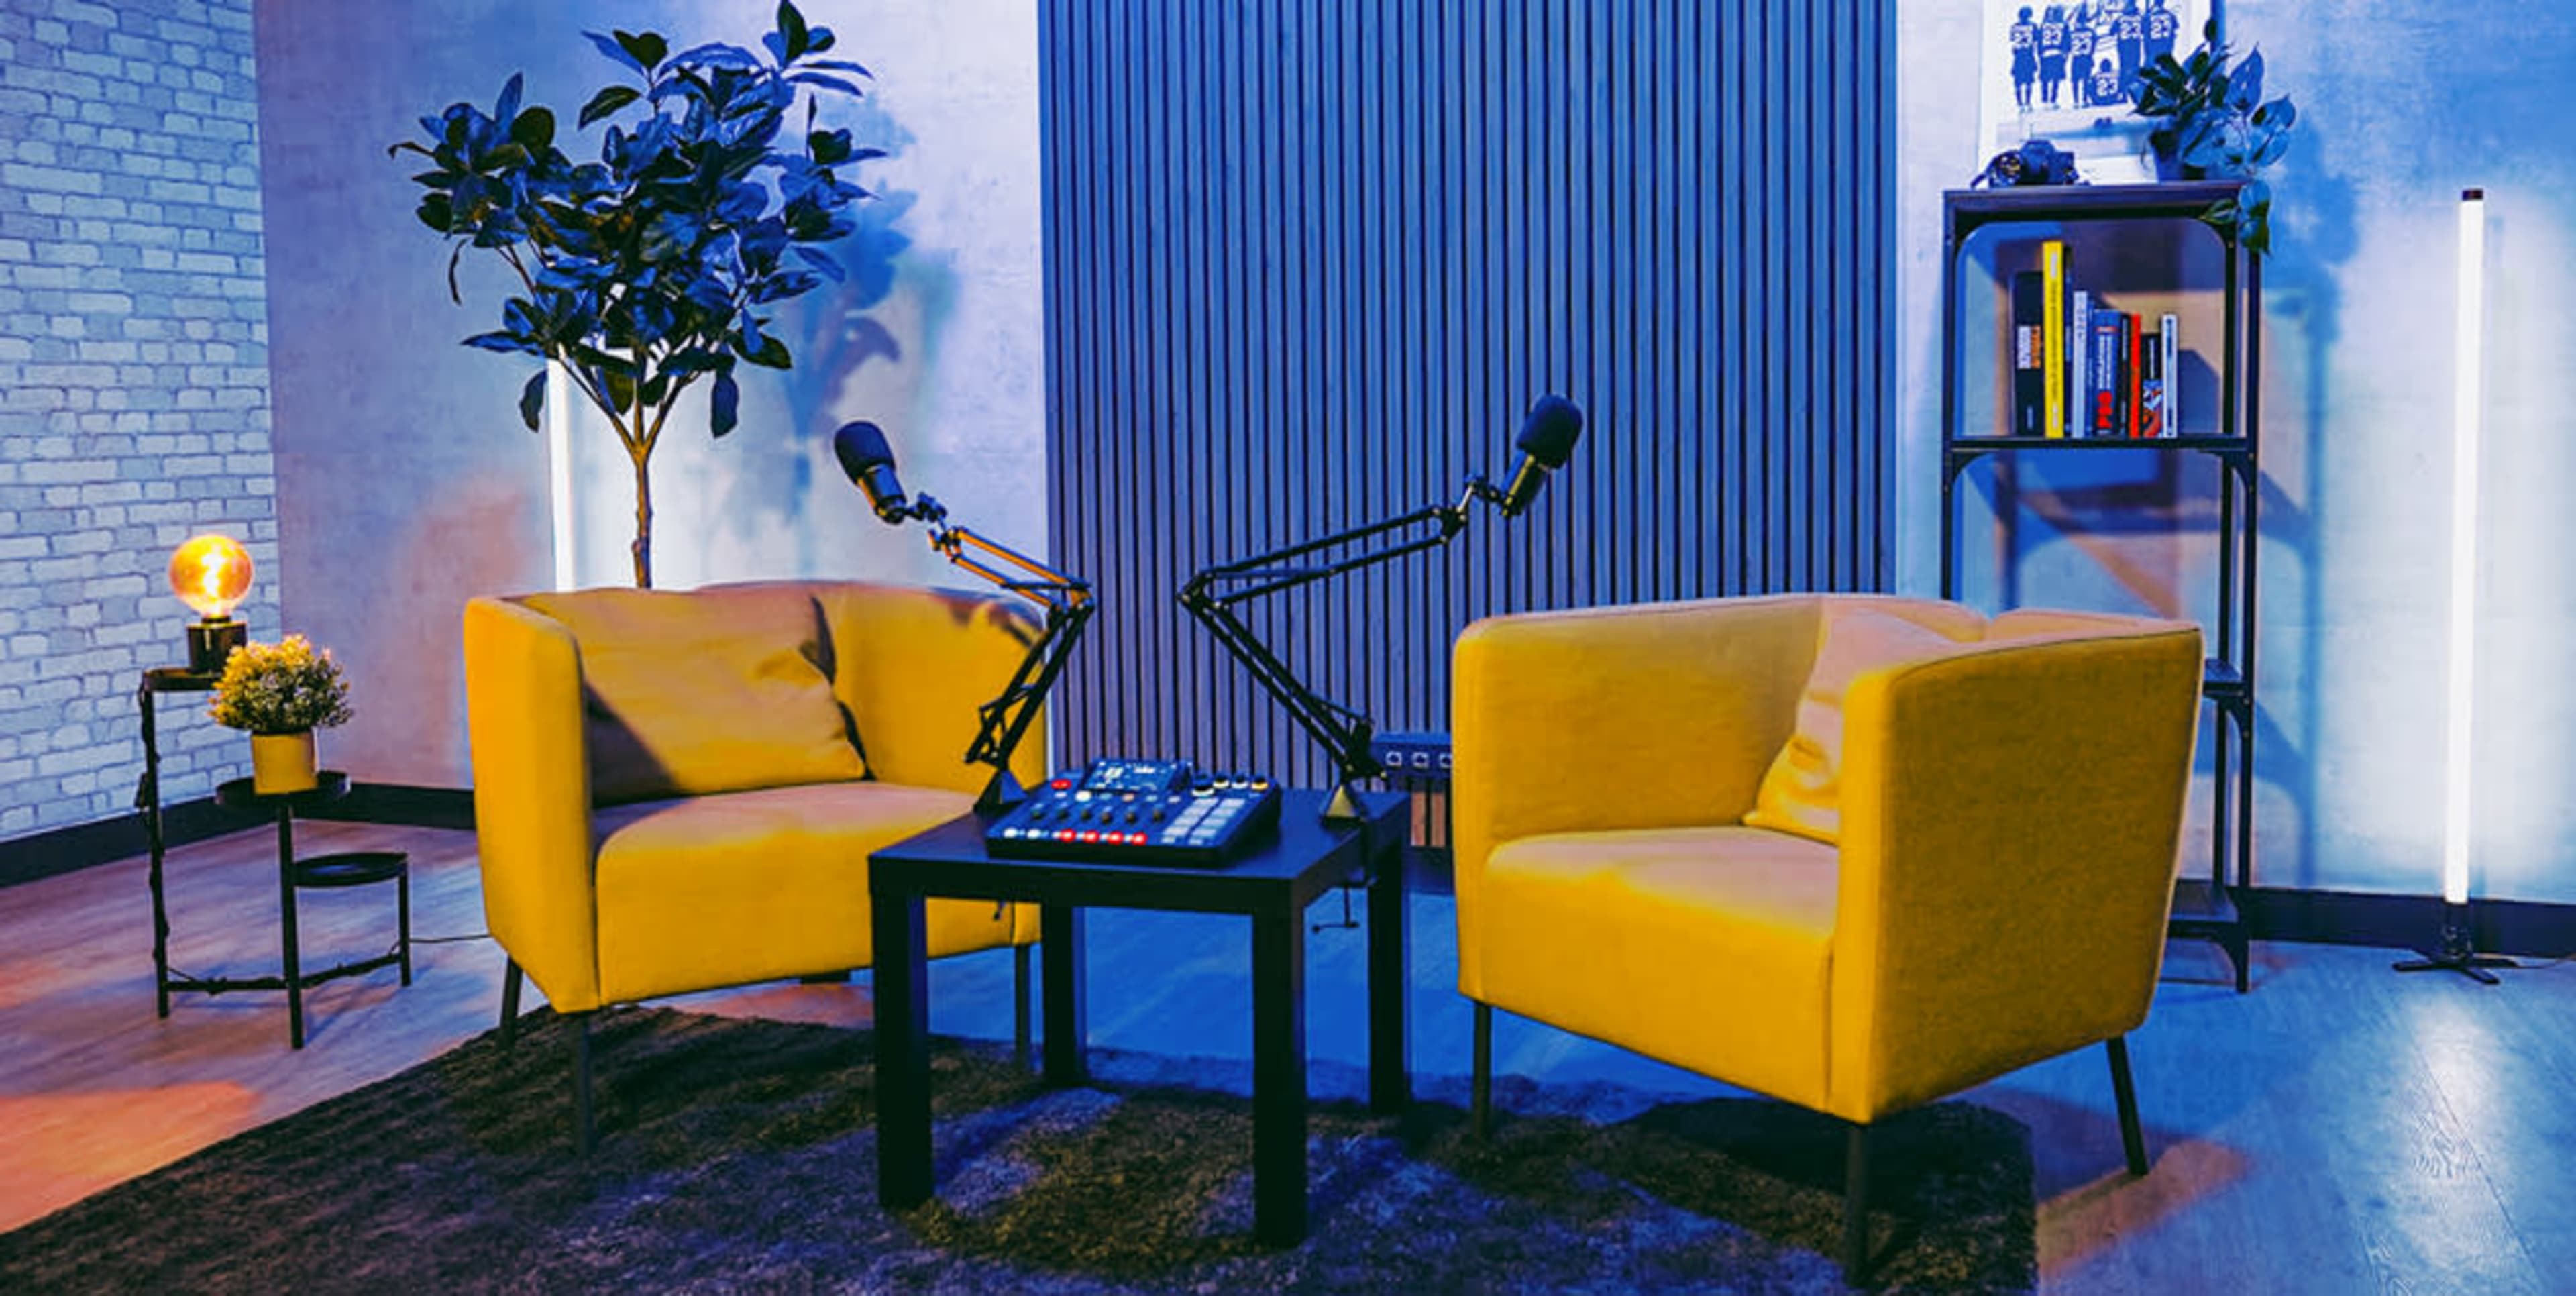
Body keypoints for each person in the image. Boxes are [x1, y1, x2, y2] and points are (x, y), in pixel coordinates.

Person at [2037, 6, 2070, 109]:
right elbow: (2067, 40)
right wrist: (2066, 53)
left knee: (2047, 78)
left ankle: (2046, 100)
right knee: (2054, 78)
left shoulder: (2043, 25)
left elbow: (2039, 41)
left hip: (2047, 53)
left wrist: (2040, 53)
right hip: (2057, 53)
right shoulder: (2063, 25)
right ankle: (2051, 100)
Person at [2068, 5, 2100, 107]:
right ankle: (2084, 100)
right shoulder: (2091, 31)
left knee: (2075, 80)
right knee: (2086, 79)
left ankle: (2076, 101)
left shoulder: (2072, 32)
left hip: (2076, 57)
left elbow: (2068, 45)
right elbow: (2095, 42)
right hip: (2087, 57)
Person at [2010, 7, 2038, 110]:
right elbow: (2035, 42)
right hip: (2028, 55)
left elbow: (2012, 41)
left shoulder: (2014, 27)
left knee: (2018, 81)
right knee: (2029, 81)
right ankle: (2028, 102)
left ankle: (2019, 103)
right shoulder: (2033, 26)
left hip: (2018, 56)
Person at [2144, 0, 2182, 68]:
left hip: (2154, 46)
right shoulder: (2170, 15)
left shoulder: (2149, 16)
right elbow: (2176, 30)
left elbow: (2145, 33)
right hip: (2166, 45)